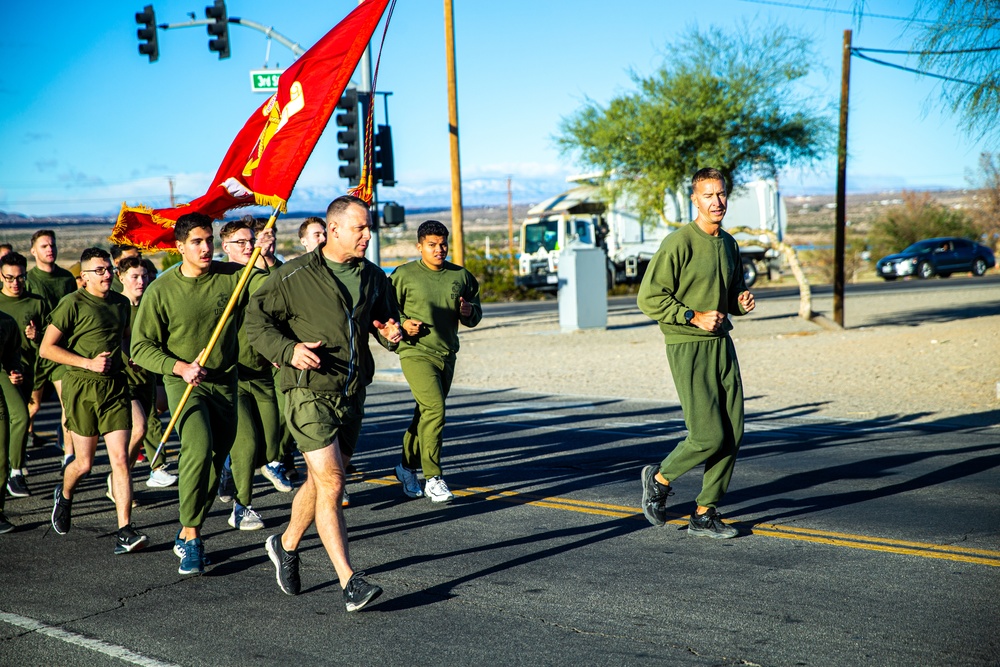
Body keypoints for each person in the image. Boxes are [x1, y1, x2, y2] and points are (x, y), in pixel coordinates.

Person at [247, 195, 401, 612]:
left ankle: (285, 543)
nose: (368, 235)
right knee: (333, 482)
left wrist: (395, 332)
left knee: (320, 481)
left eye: (368, 228)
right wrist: (288, 348)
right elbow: (255, 323)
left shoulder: (372, 276)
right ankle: (350, 582)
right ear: (333, 230)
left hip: (350, 390)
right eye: (360, 229)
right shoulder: (294, 275)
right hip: (305, 389)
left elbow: (385, 321)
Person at [131, 212, 269, 575]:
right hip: (185, 381)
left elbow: (270, 291)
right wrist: (180, 367)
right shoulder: (161, 290)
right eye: (196, 242)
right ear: (180, 248)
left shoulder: (231, 277)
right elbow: (140, 347)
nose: (206, 247)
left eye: (208, 240)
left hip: (225, 380)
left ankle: (186, 527)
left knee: (214, 460)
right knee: (197, 446)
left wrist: (264, 254)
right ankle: (192, 538)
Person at [636, 167, 756, 540]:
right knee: (707, 435)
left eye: (721, 194)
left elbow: (730, 292)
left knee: (732, 432)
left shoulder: (729, 244)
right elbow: (648, 298)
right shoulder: (679, 242)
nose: (717, 202)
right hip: (687, 345)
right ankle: (659, 478)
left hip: (722, 343)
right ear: (695, 199)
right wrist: (691, 316)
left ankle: (704, 513)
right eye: (708, 195)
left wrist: (740, 300)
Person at [41, 247, 148, 554]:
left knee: (120, 461)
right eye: (99, 271)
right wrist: (87, 363)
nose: (106, 275)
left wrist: (132, 358)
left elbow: (124, 338)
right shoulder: (71, 304)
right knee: (84, 463)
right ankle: (64, 493)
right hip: (82, 389)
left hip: (115, 388)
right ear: (84, 277)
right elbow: (47, 349)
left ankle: (125, 530)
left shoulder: (120, 303)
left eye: (108, 270)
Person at [390, 220, 482, 502]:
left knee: (426, 413)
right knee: (435, 409)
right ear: (419, 247)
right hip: (415, 352)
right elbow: (386, 310)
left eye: (443, 244)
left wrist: (468, 311)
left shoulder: (461, 276)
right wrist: (404, 324)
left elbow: (475, 314)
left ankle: (405, 467)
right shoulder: (403, 275)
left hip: (446, 355)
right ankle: (433, 477)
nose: (439, 249)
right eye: (432, 245)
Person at [215, 218, 287, 532]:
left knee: (273, 442)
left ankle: (230, 475)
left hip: (262, 371)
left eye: (250, 241)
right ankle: (242, 507)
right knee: (246, 443)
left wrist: (266, 256)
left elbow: (280, 293)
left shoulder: (262, 274)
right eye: (240, 243)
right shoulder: (216, 277)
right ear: (225, 247)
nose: (247, 247)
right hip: (230, 376)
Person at [117, 256, 176, 490]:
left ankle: (122, 478)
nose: (141, 281)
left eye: (144, 276)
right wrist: (130, 355)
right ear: (121, 277)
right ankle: (150, 469)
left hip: (147, 376)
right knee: (140, 427)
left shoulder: (150, 304)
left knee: (149, 422)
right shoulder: (116, 305)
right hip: (122, 379)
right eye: (134, 277)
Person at [25, 230, 76, 460]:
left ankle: (68, 454)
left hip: (59, 350)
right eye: (44, 246)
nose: (50, 249)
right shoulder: (27, 280)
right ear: (33, 251)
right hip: (35, 352)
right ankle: (21, 441)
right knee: (32, 406)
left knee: (67, 402)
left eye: (52, 245)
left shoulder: (66, 279)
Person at [0, 252, 45, 496]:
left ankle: (13, 466)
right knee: (18, 417)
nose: (15, 283)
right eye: (9, 278)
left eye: (20, 278)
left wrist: (36, 337)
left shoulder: (36, 303)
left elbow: (49, 340)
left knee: (19, 420)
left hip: (27, 370)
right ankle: (14, 472)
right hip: (4, 373)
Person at [0, 309, 24, 534]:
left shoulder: (7, 321)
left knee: (0, 456)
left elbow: (12, 355)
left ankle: (15, 471)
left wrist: (15, 370)